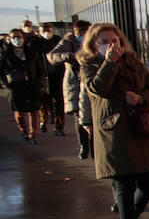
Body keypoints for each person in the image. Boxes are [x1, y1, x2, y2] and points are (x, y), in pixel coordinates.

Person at [79, 23, 149, 219]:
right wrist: (109, 62)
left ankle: (130, 218)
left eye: (114, 41)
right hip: (114, 134)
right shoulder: (89, 65)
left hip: (140, 129)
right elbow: (98, 89)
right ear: (93, 45)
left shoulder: (134, 62)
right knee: (123, 186)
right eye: (104, 42)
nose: (111, 46)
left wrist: (140, 99)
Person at [48, 20, 93, 158]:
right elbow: (52, 56)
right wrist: (71, 56)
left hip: (91, 80)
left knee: (93, 116)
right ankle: (84, 146)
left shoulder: (93, 40)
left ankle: (94, 147)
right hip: (75, 83)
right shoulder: (68, 41)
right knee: (80, 117)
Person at [2, 27, 48, 143]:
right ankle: (23, 131)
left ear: (23, 38)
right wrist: (7, 84)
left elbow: (40, 69)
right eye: (14, 37)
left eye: (19, 36)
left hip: (32, 85)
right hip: (16, 86)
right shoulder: (6, 54)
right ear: (10, 39)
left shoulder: (31, 52)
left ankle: (33, 134)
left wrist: (40, 83)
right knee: (19, 111)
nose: (17, 39)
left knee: (34, 110)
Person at [37, 23, 65, 135]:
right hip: (42, 78)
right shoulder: (35, 43)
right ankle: (43, 121)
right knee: (43, 103)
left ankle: (59, 127)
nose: (46, 31)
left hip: (57, 76)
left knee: (59, 104)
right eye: (44, 29)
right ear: (39, 31)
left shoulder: (58, 41)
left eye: (49, 29)